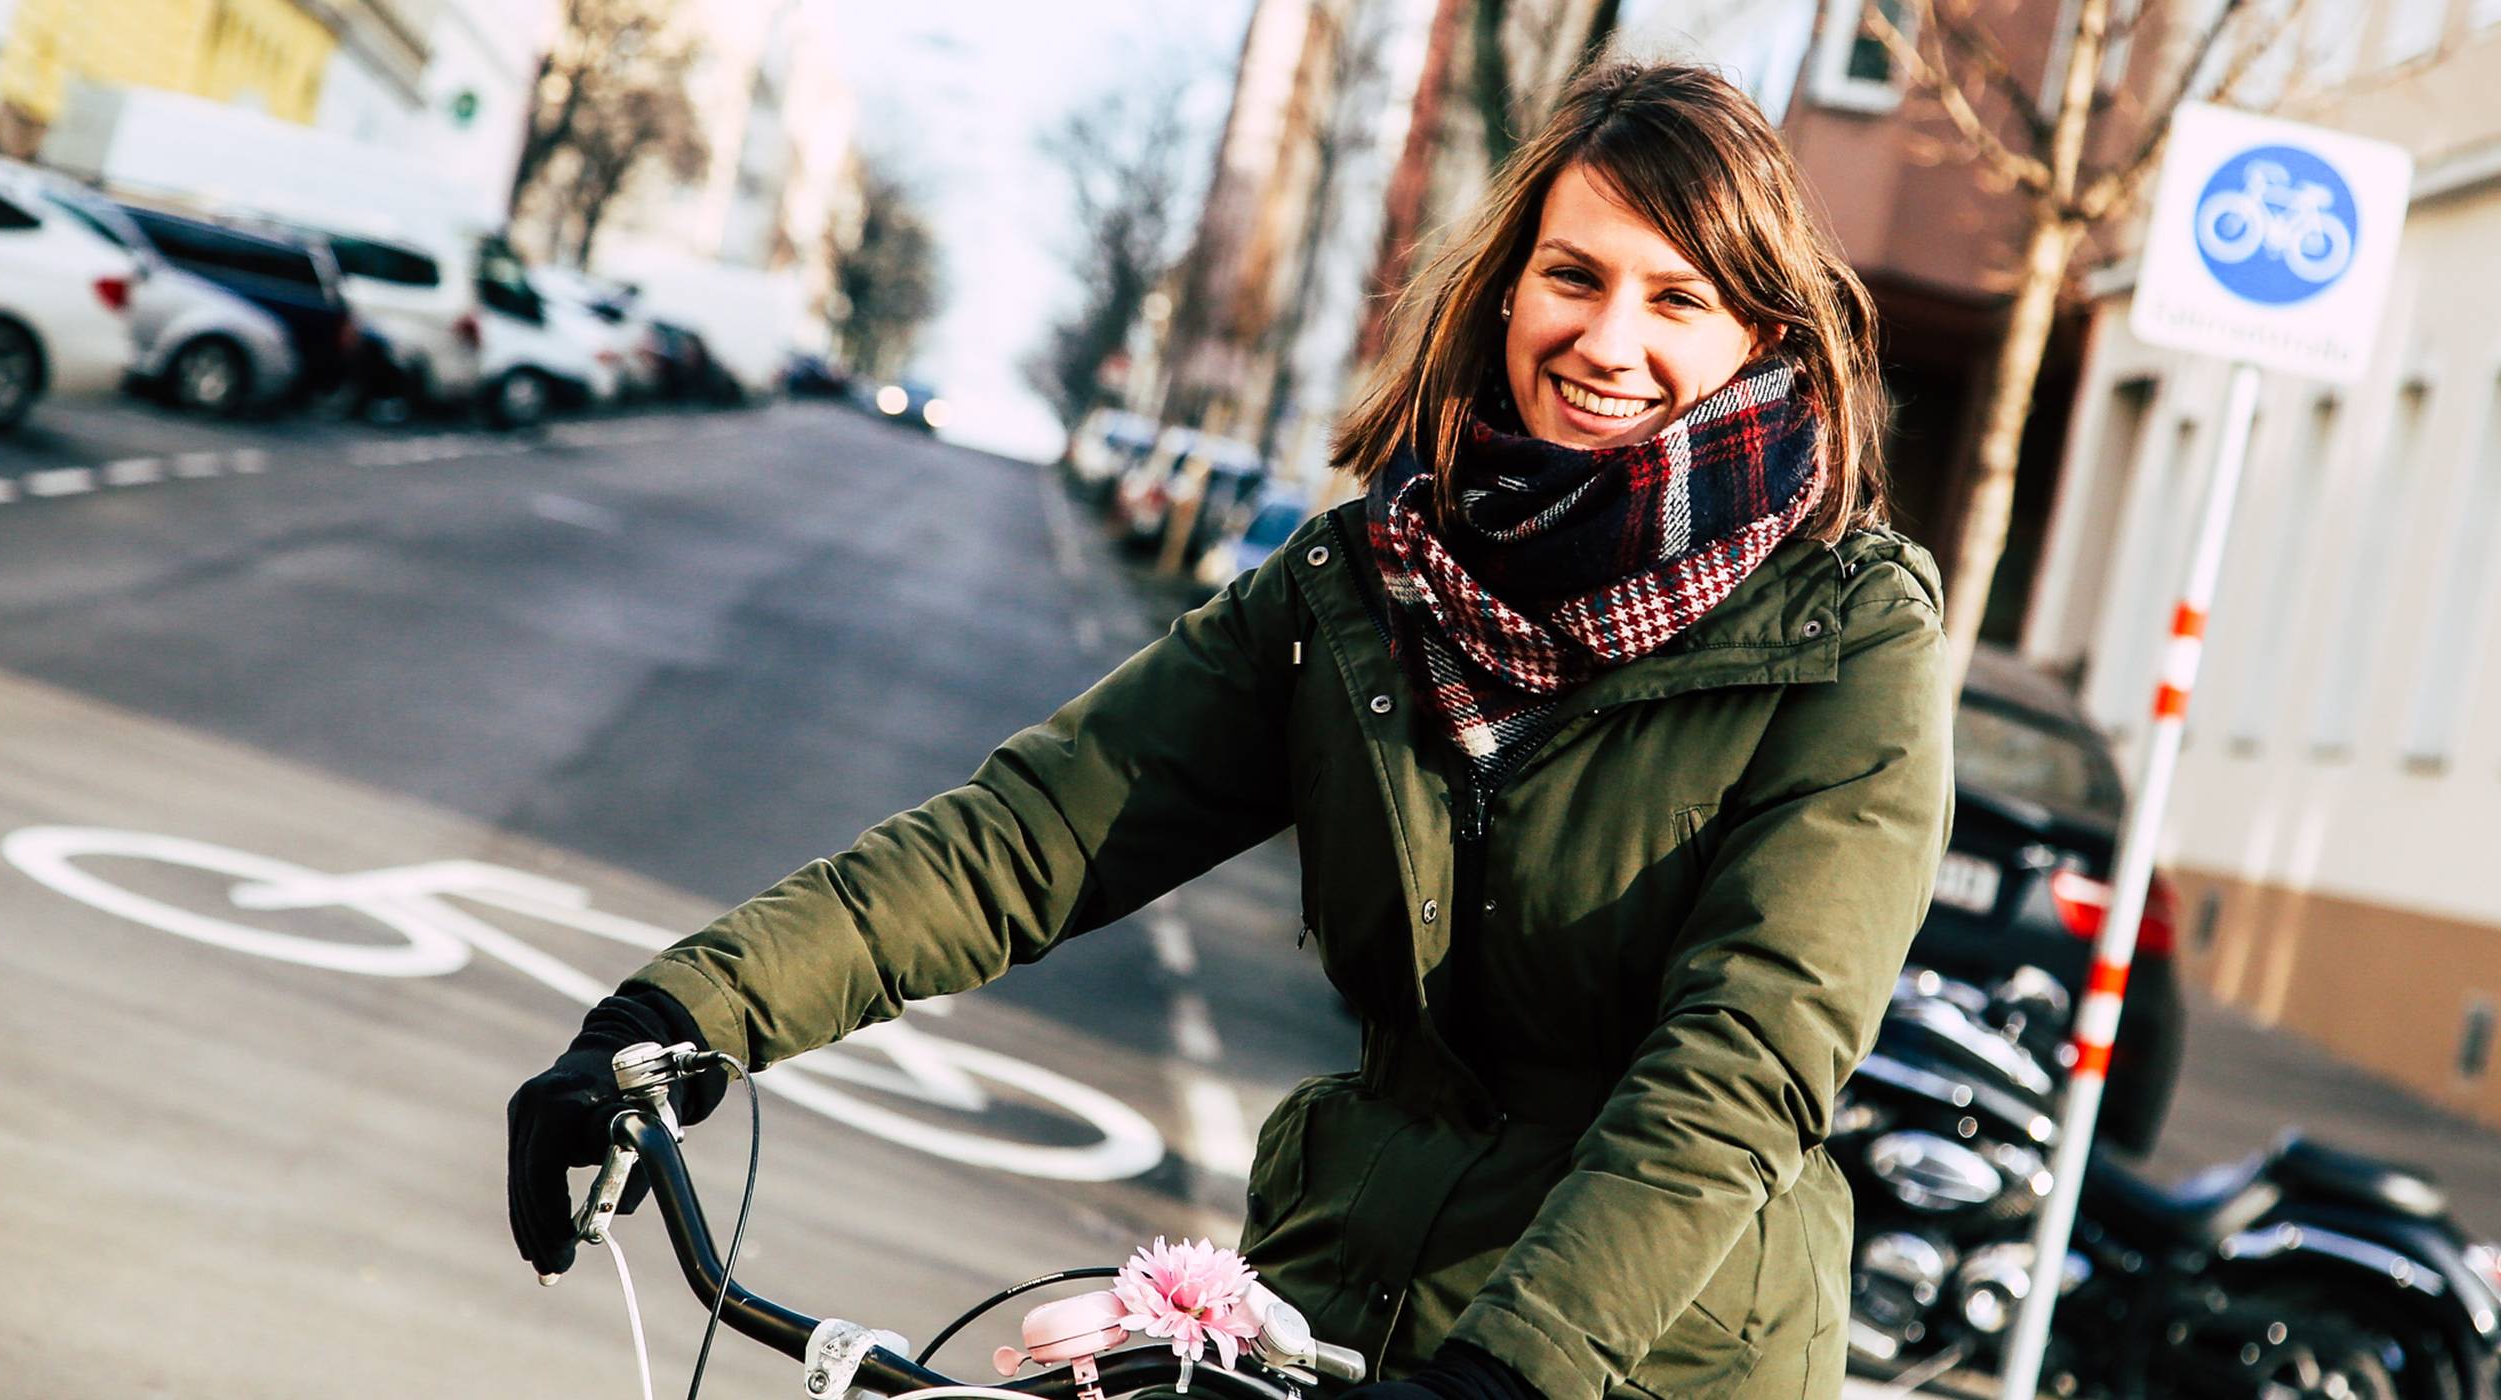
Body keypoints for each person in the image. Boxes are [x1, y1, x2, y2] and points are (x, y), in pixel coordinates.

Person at [509, 57, 1952, 1399]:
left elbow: (1743, 1069)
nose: (1608, 339)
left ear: (1762, 332)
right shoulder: (1368, 581)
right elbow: (1032, 835)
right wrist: (676, 1021)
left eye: (1675, 299)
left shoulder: (1848, 633)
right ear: (1507, 291)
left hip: (1645, 1359)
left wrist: (1515, 1371)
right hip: (1332, 1306)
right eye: (1571, 276)